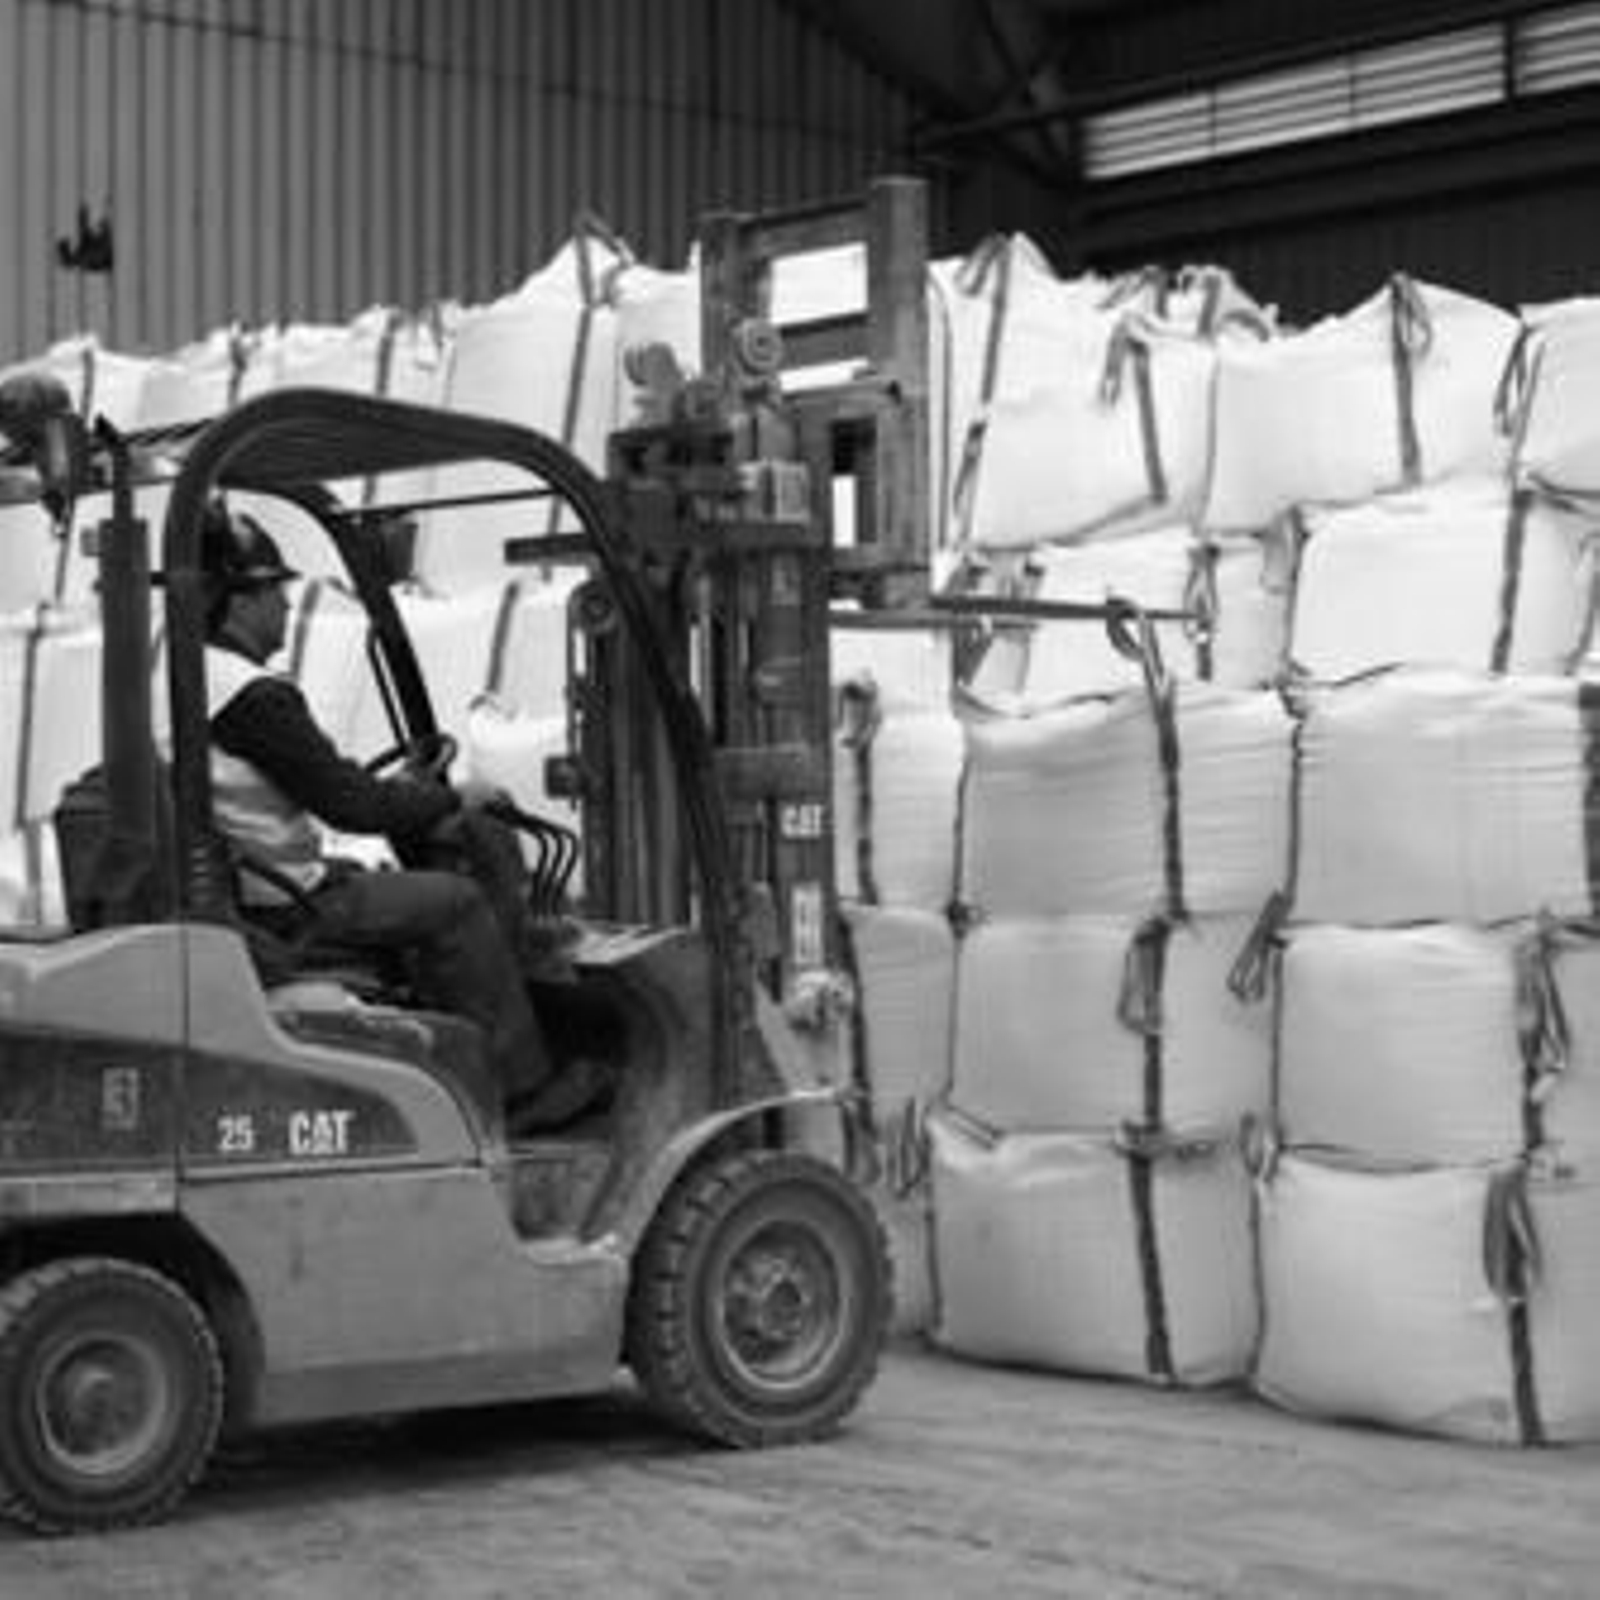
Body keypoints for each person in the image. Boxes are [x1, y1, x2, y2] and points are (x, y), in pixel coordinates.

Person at [197, 499, 607, 1134]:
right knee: (458, 902)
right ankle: (525, 1088)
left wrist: (400, 789)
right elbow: (352, 806)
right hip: (283, 902)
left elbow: (328, 785)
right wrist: (452, 796)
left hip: (260, 877)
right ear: (240, 602)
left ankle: (458, 1047)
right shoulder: (253, 696)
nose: (285, 607)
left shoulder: (199, 680)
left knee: (409, 884)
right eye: (274, 593)